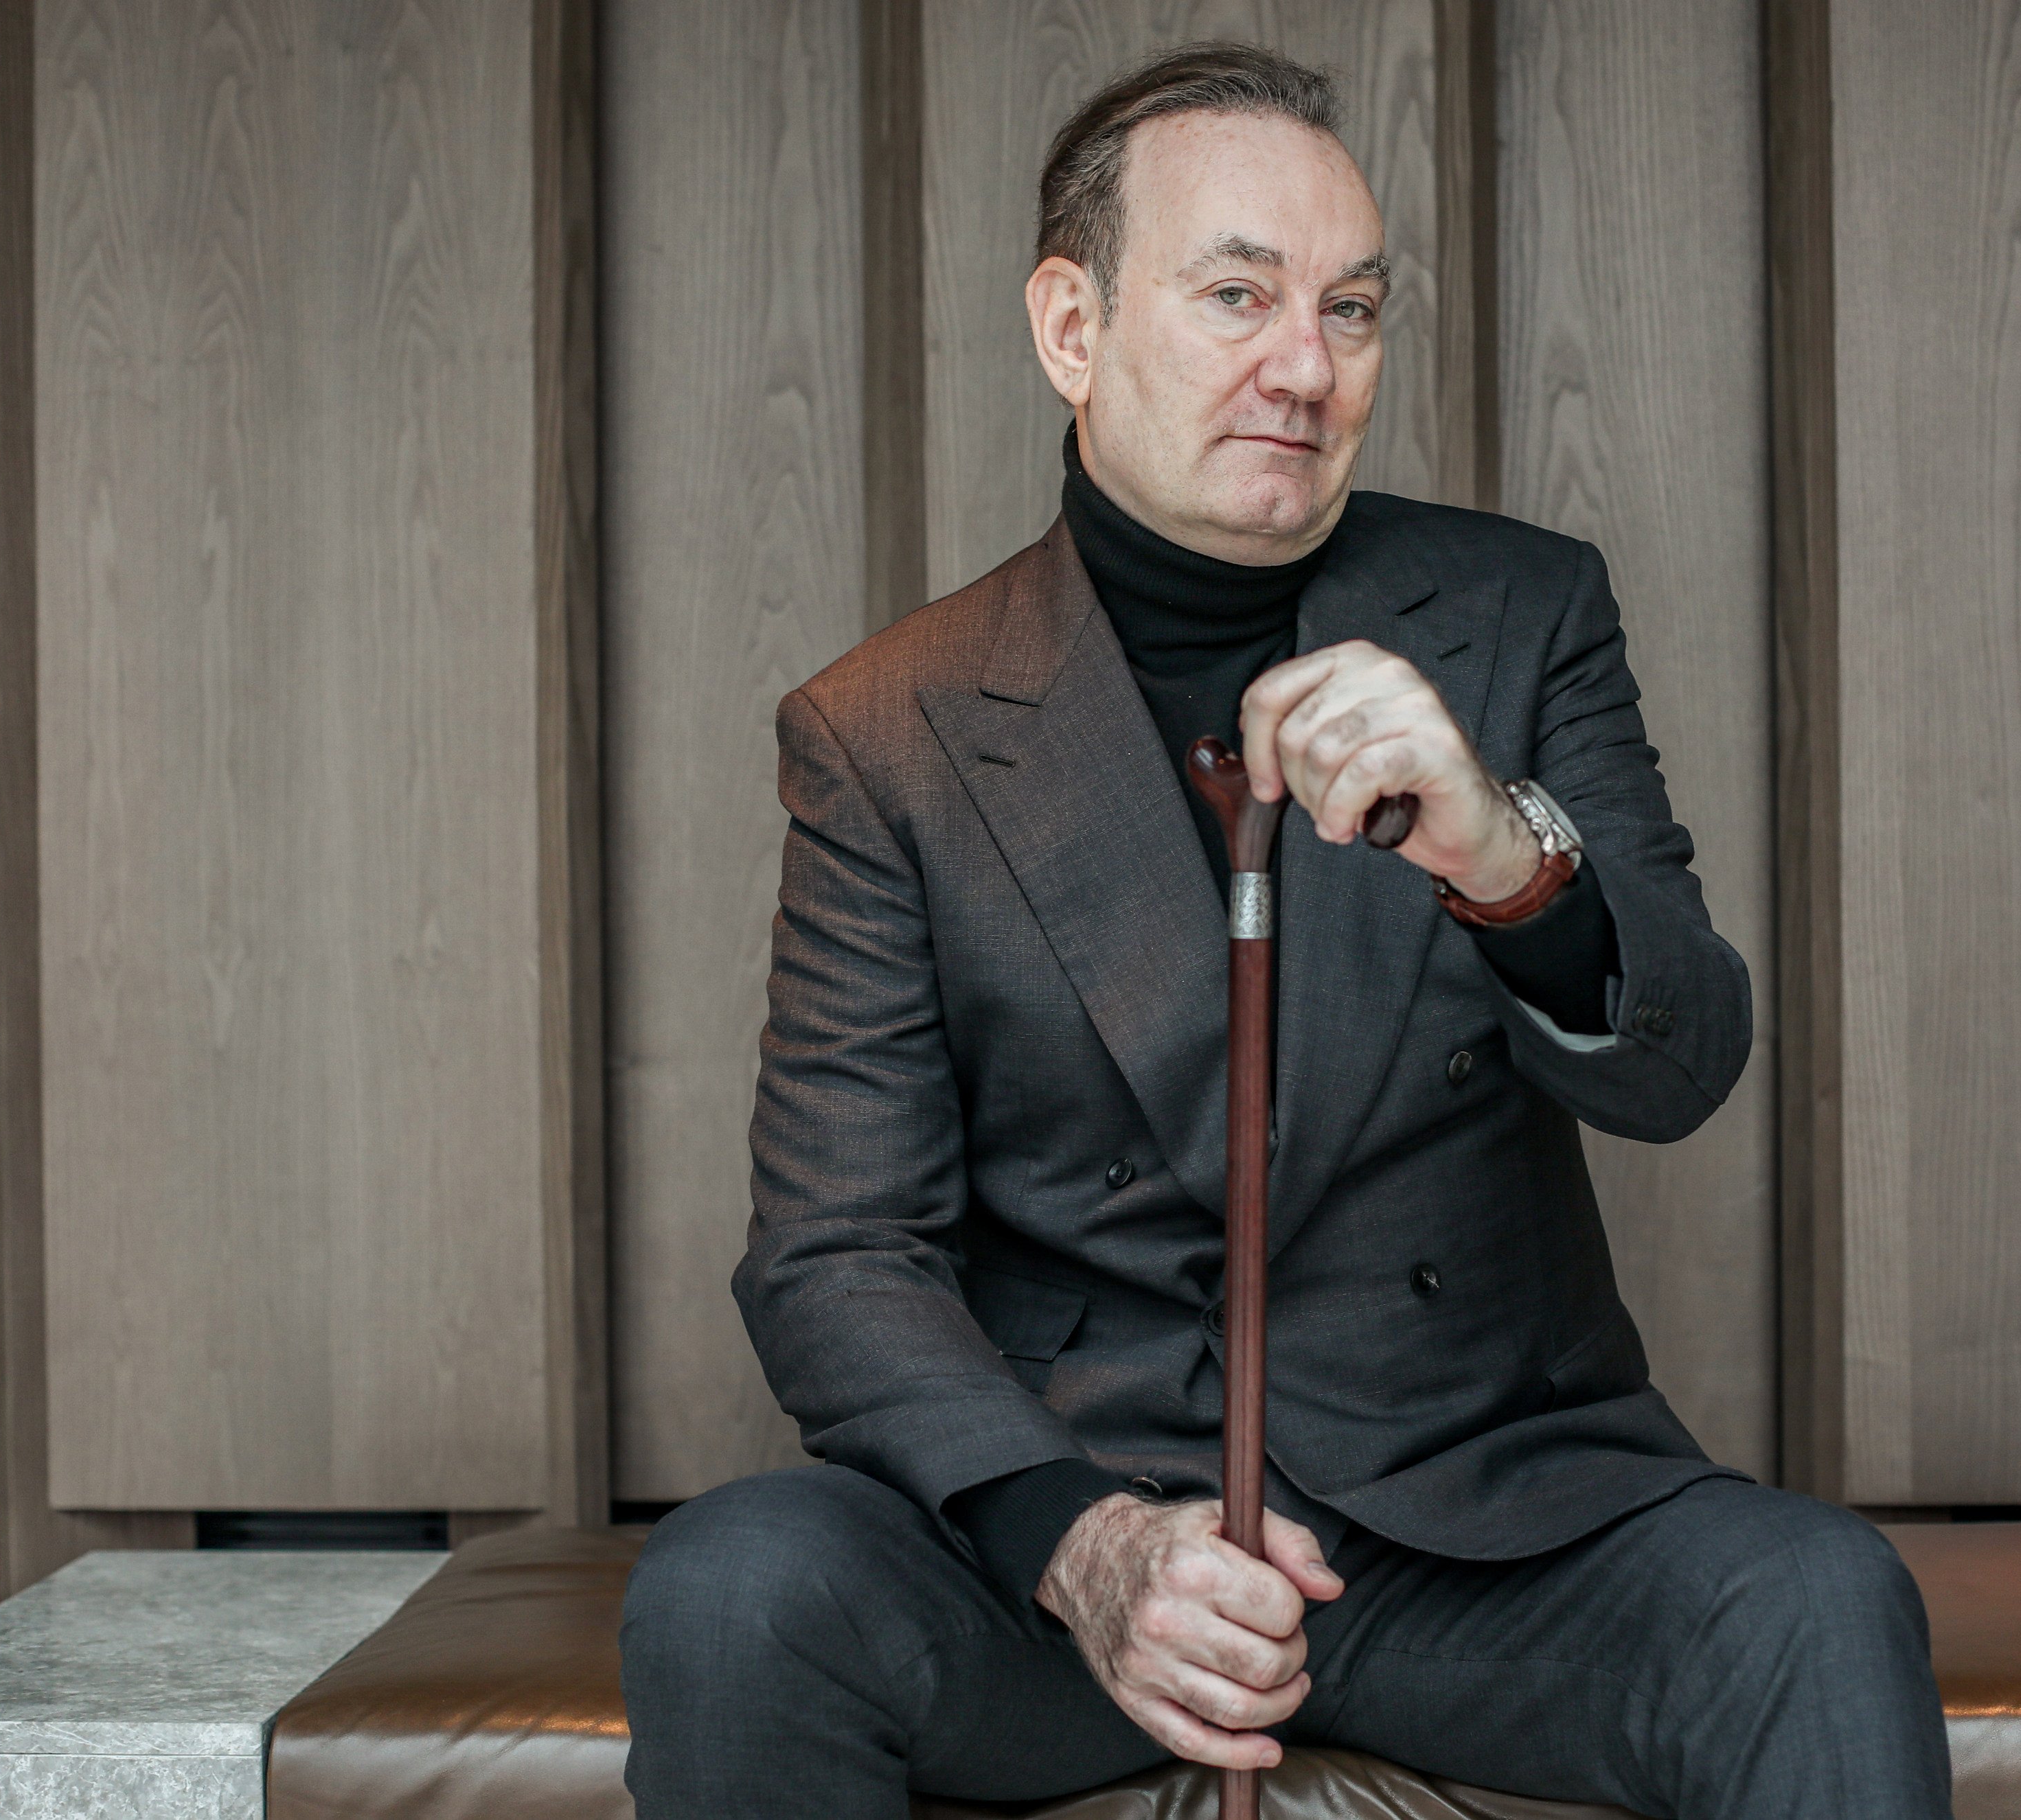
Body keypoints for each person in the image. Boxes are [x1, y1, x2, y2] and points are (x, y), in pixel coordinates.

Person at [619, 41, 1952, 1820]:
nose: (1308, 367)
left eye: (1352, 308)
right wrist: (1087, 1546)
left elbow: (1682, 1061)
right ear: (1072, 327)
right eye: (1239, 295)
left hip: (1482, 1528)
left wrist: (1507, 854)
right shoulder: (892, 730)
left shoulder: (1516, 615)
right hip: (1084, 1549)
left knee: (1815, 1598)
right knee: (737, 1590)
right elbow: (836, 1254)